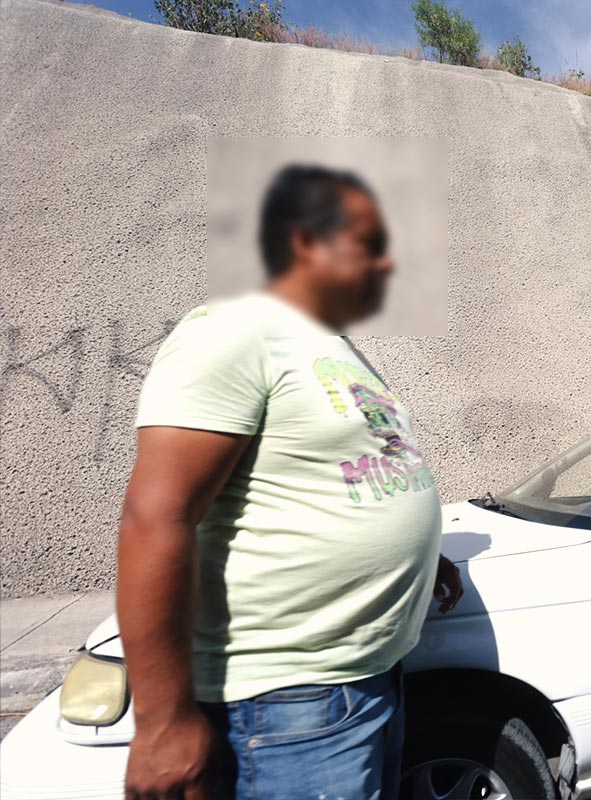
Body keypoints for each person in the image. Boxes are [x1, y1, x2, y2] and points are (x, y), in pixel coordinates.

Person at [116, 163, 463, 800]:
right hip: (288, 703)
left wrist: (420, 557)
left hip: (365, 680)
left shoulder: (335, 348)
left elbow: (349, 468)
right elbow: (156, 517)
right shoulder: (235, 330)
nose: (386, 265)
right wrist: (162, 722)